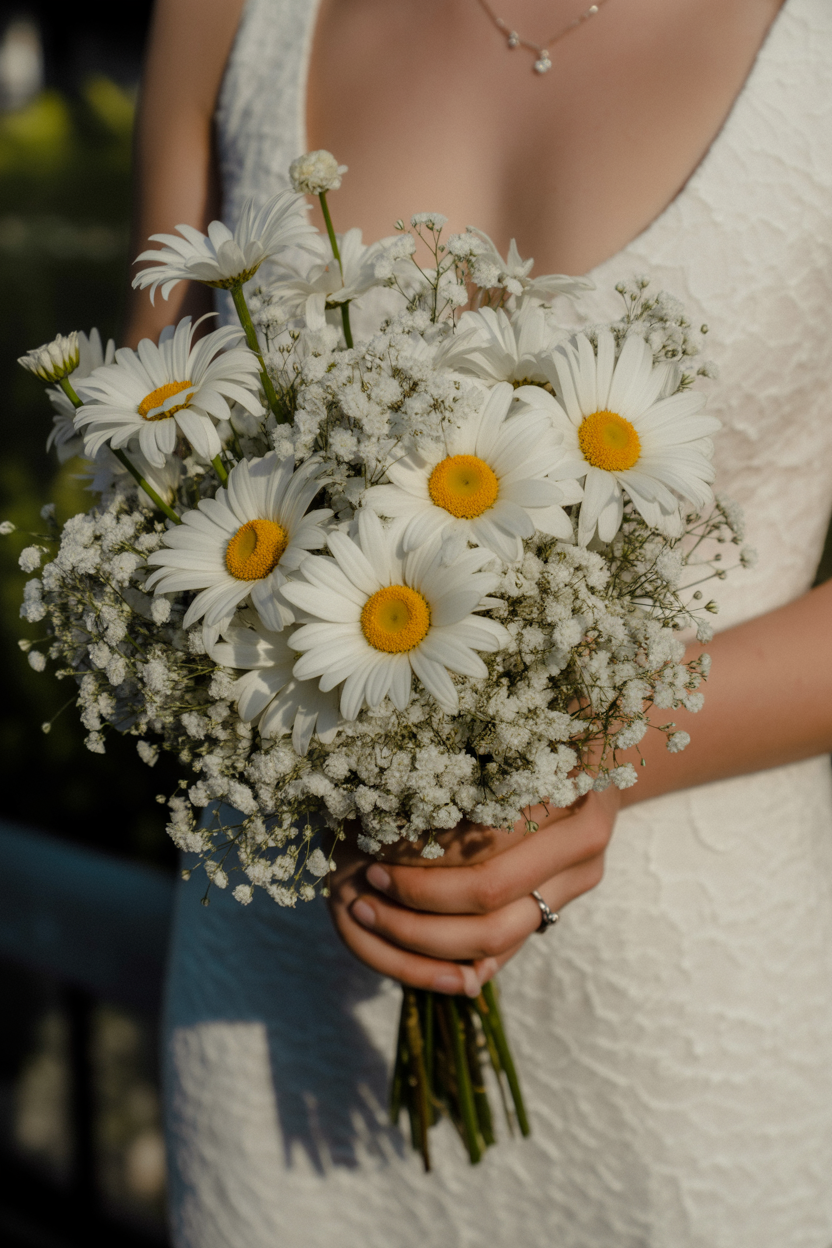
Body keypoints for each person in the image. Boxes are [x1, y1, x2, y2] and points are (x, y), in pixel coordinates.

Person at [126, 1, 832, 1244]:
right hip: (280, 1013)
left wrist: (591, 737)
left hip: (688, 1040)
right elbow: (143, 475)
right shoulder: (226, 14)